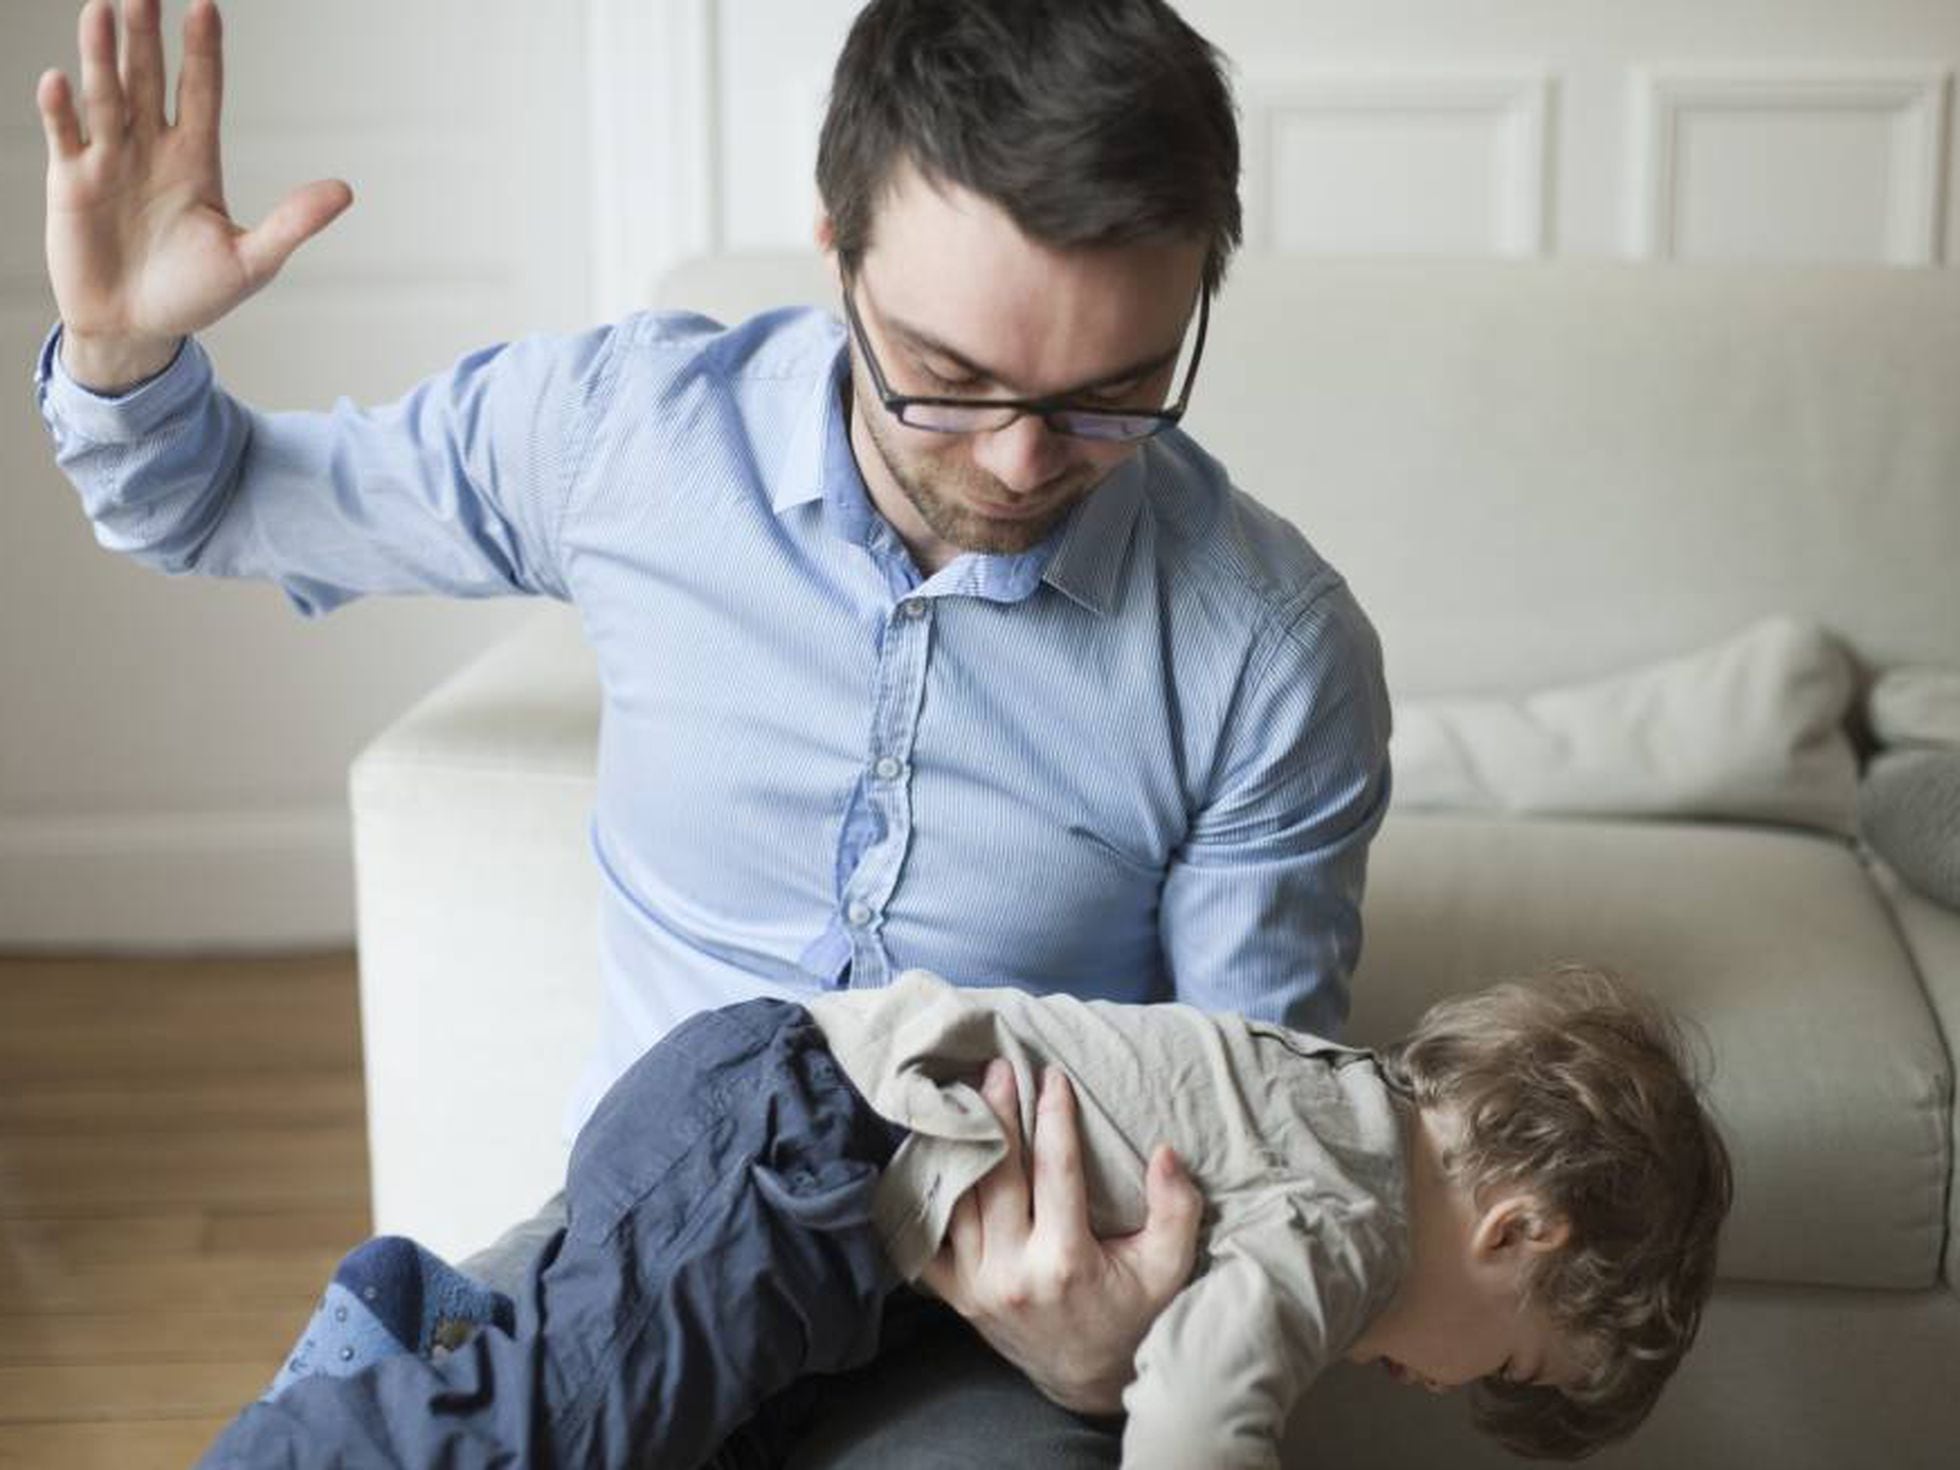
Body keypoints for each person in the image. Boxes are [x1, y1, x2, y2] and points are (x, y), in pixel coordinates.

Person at [32, 1, 1392, 1460]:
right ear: (837, 245)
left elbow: (1264, 1131)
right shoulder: (630, 436)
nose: (1015, 459)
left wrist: (1105, 1349)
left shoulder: (1276, 652)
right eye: (947, 376)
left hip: (990, 1344)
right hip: (637, 1253)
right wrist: (125, 356)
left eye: (1109, 397)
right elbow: (213, 498)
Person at [193, 965, 1733, 1469]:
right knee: (557, 1429)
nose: (1441, 1385)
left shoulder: (1329, 1098)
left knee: (641, 1433)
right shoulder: (1350, 1211)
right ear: (1523, 1228)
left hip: (771, 1149)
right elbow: (1204, 1400)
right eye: (1513, 1368)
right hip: (789, 1155)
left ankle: (422, 1326)